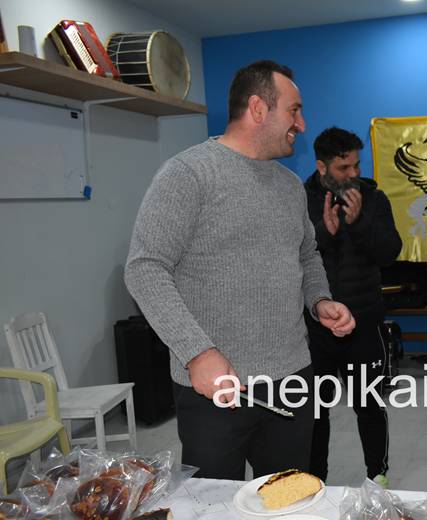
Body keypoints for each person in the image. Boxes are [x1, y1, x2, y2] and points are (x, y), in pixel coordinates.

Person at [124, 60, 355, 480]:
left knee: (287, 498)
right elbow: (145, 268)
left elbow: (307, 255)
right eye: (294, 110)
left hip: (291, 378)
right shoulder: (188, 173)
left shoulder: (289, 186)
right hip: (216, 387)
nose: (302, 124)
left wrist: (319, 300)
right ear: (258, 108)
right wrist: (197, 352)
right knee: (214, 504)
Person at [303, 127, 402, 486]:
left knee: (370, 406)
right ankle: (315, 484)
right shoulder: (298, 199)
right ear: (322, 167)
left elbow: (390, 253)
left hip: (364, 324)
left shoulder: (373, 199)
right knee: (315, 411)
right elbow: (292, 258)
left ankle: (379, 479)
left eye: (357, 165)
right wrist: (324, 233)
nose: (354, 174)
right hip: (315, 327)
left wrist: (358, 225)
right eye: (344, 167)